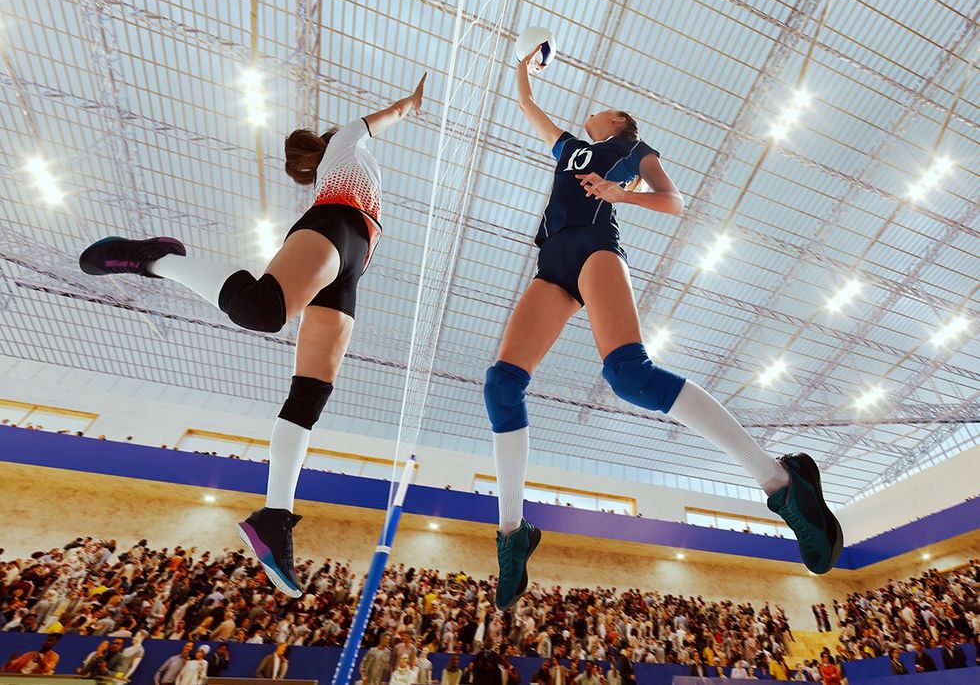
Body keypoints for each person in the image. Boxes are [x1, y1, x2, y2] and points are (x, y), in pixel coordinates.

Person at [485, 46, 842, 610]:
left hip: (597, 249)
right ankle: (512, 534)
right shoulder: (570, 149)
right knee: (501, 384)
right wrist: (523, 66)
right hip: (552, 261)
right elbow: (526, 103)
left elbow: (673, 201)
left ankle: (778, 481)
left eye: (603, 110)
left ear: (621, 122)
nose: (591, 114)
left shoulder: (632, 147)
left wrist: (619, 192)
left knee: (628, 374)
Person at [79, 72, 427, 598]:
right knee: (264, 310)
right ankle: (159, 259)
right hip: (335, 225)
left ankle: (275, 516)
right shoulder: (345, 141)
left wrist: (406, 106)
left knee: (311, 393)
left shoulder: (341, 153)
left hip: (354, 262)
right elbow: (389, 115)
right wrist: (410, 103)